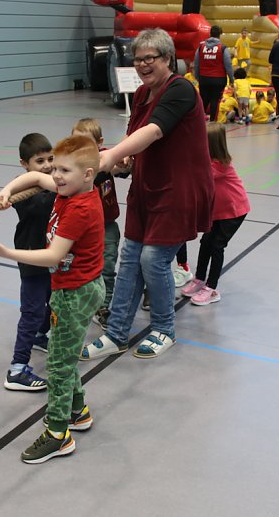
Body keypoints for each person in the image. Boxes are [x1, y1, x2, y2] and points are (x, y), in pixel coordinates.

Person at [81, 28, 213, 362]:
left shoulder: (180, 90)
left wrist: (108, 158)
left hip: (177, 190)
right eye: (137, 59)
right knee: (130, 258)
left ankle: (164, 328)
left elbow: (154, 131)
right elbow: (135, 139)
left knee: (153, 260)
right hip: (146, 189)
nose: (142, 65)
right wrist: (122, 160)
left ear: (167, 59)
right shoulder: (141, 95)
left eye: (149, 59)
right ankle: (117, 332)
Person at [0, 135, 104, 464]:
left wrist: (5, 252)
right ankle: (79, 411)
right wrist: (7, 190)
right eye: (55, 168)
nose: (56, 176)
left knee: (59, 366)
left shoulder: (79, 207)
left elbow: (53, 255)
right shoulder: (67, 188)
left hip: (75, 293)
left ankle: (58, 434)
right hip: (71, 287)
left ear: (88, 174)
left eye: (64, 171)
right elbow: (32, 177)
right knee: (65, 353)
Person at [1, 133, 55, 392]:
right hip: (32, 258)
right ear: (25, 164)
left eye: (50, 159)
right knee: (32, 310)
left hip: (52, 255)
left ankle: (39, 336)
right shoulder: (22, 188)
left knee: (52, 299)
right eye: (39, 161)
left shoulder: (50, 181)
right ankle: (17, 369)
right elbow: (41, 207)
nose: (46, 165)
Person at [180, 123, 250, 306]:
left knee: (217, 246)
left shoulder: (219, 166)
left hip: (234, 211)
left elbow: (195, 176)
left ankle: (211, 288)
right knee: (206, 242)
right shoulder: (209, 163)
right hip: (218, 211)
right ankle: (200, 279)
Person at [71, 119, 121, 331]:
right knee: (81, 268)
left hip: (107, 226)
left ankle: (103, 307)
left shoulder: (106, 158)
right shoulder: (71, 164)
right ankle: (82, 302)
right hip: (82, 229)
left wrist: (125, 162)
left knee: (107, 268)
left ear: (99, 143)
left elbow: (120, 166)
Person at [194, 25, 235, 123]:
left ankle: (199, 122)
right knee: (215, 100)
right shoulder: (222, 48)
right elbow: (228, 65)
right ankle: (213, 121)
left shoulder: (201, 47)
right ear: (220, 35)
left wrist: (197, 76)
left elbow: (196, 63)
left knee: (203, 100)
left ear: (210, 34)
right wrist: (231, 79)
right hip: (218, 79)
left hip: (204, 78)